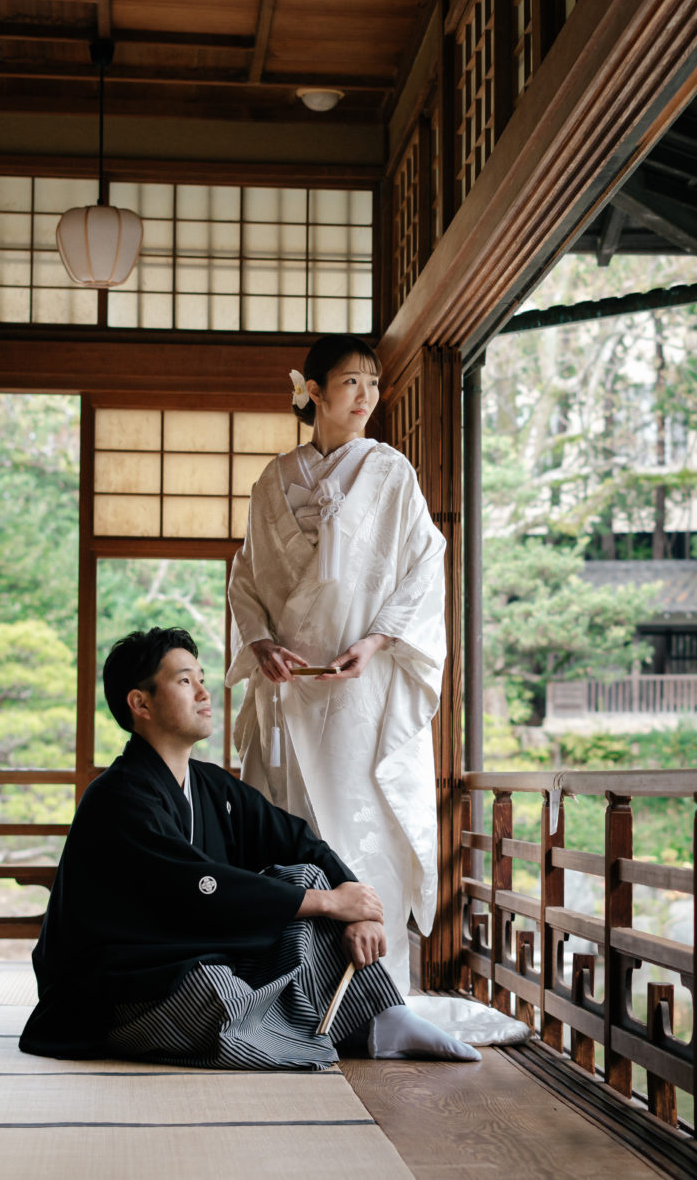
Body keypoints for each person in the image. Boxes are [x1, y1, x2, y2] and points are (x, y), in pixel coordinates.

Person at [19, 626, 475, 1067]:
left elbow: (297, 840)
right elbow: (192, 886)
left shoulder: (212, 787)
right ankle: (331, 1027)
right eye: (184, 682)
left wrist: (354, 903)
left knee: (308, 878)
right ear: (140, 703)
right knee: (218, 991)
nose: (203, 692)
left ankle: (385, 1017)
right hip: (118, 987)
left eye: (201, 679)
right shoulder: (119, 796)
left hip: (189, 958)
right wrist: (327, 903)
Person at [225, 334, 443, 987]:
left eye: (374, 383)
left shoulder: (392, 473)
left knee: (363, 818)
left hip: (361, 690)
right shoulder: (274, 479)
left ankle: (371, 994)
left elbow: (423, 567)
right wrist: (259, 641)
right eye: (352, 382)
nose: (367, 396)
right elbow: (245, 578)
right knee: (291, 822)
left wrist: (376, 640)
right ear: (312, 389)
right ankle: (288, 988)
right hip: (287, 692)